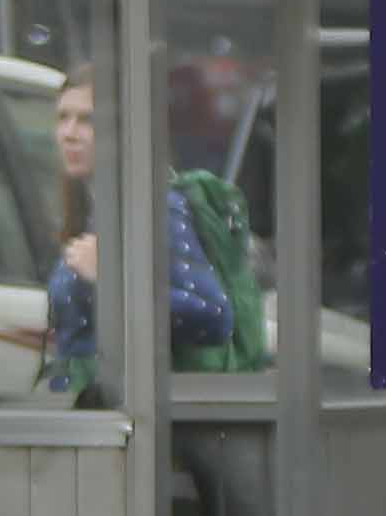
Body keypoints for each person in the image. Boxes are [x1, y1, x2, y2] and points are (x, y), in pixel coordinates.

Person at [42, 74, 256, 400]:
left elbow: (213, 315)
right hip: (86, 405)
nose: (69, 134)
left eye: (87, 120)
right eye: (63, 118)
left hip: (130, 415)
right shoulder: (95, 209)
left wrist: (111, 278)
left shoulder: (158, 207)